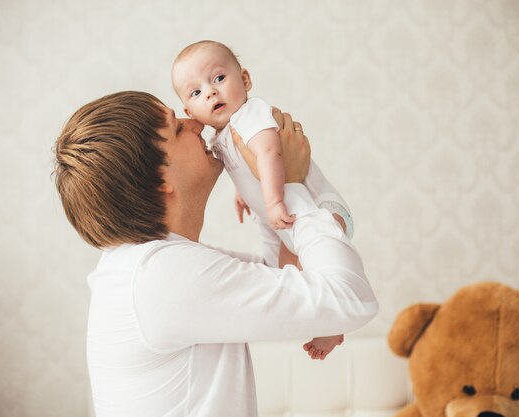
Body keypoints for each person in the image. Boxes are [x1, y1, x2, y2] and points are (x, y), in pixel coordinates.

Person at [53, 91, 378, 417]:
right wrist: (292, 185)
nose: (195, 123)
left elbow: (284, 270)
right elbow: (350, 299)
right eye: (177, 129)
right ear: (160, 178)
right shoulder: (163, 276)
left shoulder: (145, 267)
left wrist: (267, 187)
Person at [171, 40, 353, 358]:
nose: (211, 92)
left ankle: (333, 327)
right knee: (286, 273)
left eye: (218, 79)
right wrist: (246, 194)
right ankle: (324, 323)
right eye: (196, 92)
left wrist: (271, 201)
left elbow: (269, 152)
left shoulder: (251, 114)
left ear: (245, 80)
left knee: (313, 271)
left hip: (320, 210)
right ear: (190, 113)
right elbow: (247, 168)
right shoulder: (220, 137)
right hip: (288, 220)